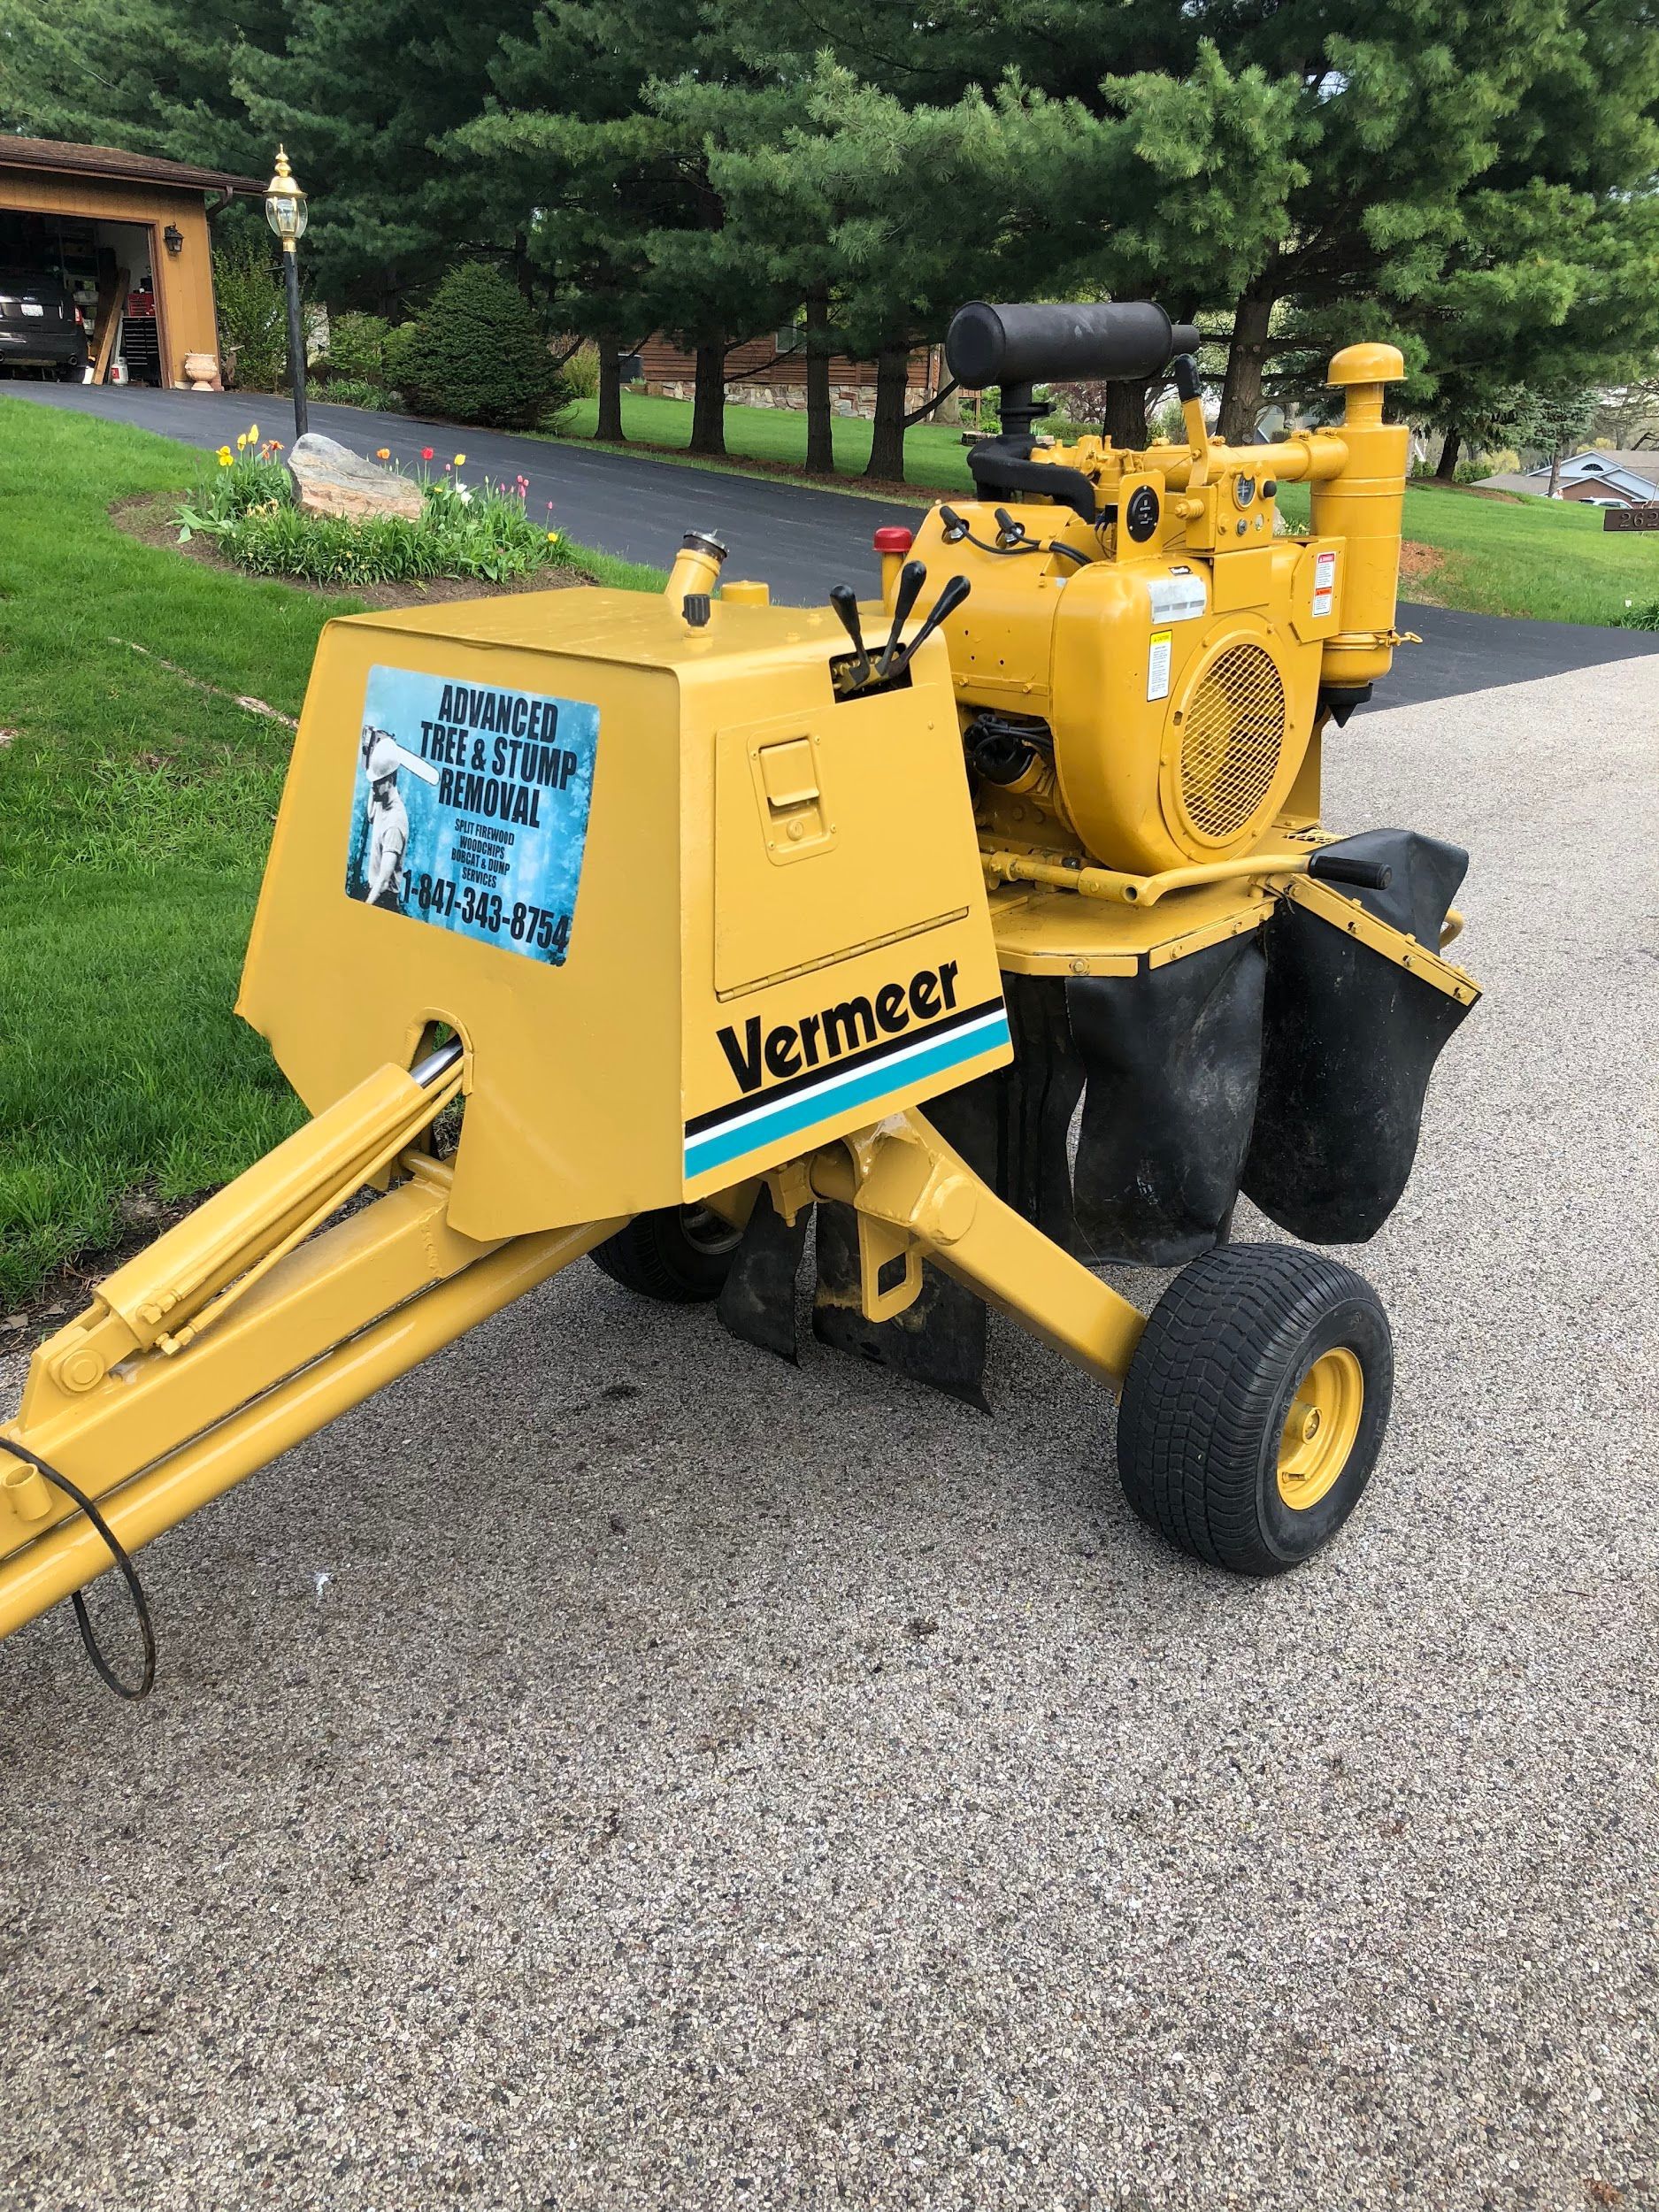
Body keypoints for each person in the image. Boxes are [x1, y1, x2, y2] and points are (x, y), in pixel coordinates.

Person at [364, 733, 410, 910]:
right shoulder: (381, 800)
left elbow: (383, 882)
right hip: (374, 891)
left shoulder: (395, 823)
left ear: (390, 781)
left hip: (384, 900)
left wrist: (364, 909)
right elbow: (370, 815)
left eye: (377, 784)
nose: (373, 788)